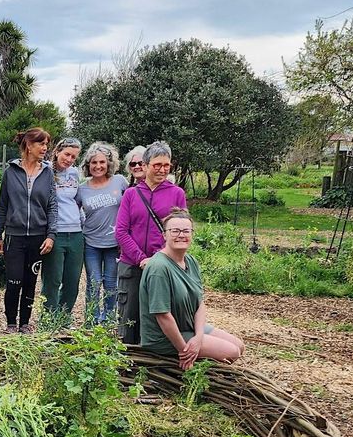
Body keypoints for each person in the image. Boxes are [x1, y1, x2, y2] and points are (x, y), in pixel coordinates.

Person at [140, 209, 244, 368]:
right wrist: (184, 350)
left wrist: (198, 337)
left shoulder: (191, 261)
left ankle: (204, 364)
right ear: (164, 235)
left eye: (186, 231)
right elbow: (163, 316)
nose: (181, 235)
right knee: (232, 352)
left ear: (192, 234)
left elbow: (199, 303)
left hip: (188, 327)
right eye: (174, 231)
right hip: (164, 337)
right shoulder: (159, 268)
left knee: (239, 346)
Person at [115, 140, 187, 345]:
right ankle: (126, 365)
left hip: (162, 266)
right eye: (157, 165)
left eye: (166, 165)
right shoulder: (131, 194)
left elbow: (181, 232)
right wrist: (141, 258)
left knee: (158, 316)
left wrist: (158, 259)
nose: (162, 170)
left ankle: (153, 367)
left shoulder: (176, 194)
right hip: (131, 264)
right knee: (128, 317)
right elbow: (121, 231)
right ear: (145, 166)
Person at [0, 127, 57, 333]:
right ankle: (11, 322)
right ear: (29, 146)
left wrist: (51, 235)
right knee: (14, 281)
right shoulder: (10, 172)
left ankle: (25, 323)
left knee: (30, 282)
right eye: (41, 143)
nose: (45, 148)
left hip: (38, 237)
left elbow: (52, 206)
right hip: (14, 236)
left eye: (46, 144)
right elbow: (2, 205)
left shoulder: (47, 173)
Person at [77, 142, 127, 325]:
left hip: (115, 244)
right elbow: (72, 210)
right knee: (94, 282)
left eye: (102, 162)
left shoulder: (120, 181)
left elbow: (131, 204)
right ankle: (91, 319)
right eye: (93, 162)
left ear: (109, 164)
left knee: (111, 283)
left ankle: (108, 318)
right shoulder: (82, 188)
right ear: (88, 165)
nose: (98, 166)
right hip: (91, 242)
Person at [40, 137, 84, 323]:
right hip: (55, 232)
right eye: (67, 154)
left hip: (76, 233)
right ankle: (48, 318)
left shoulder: (75, 174)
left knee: (72, 280)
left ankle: (64, 318)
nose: (69, 159)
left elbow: (79, 200)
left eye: (73, 157)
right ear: (57, 151)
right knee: (52, 279)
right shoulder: (45, 171)